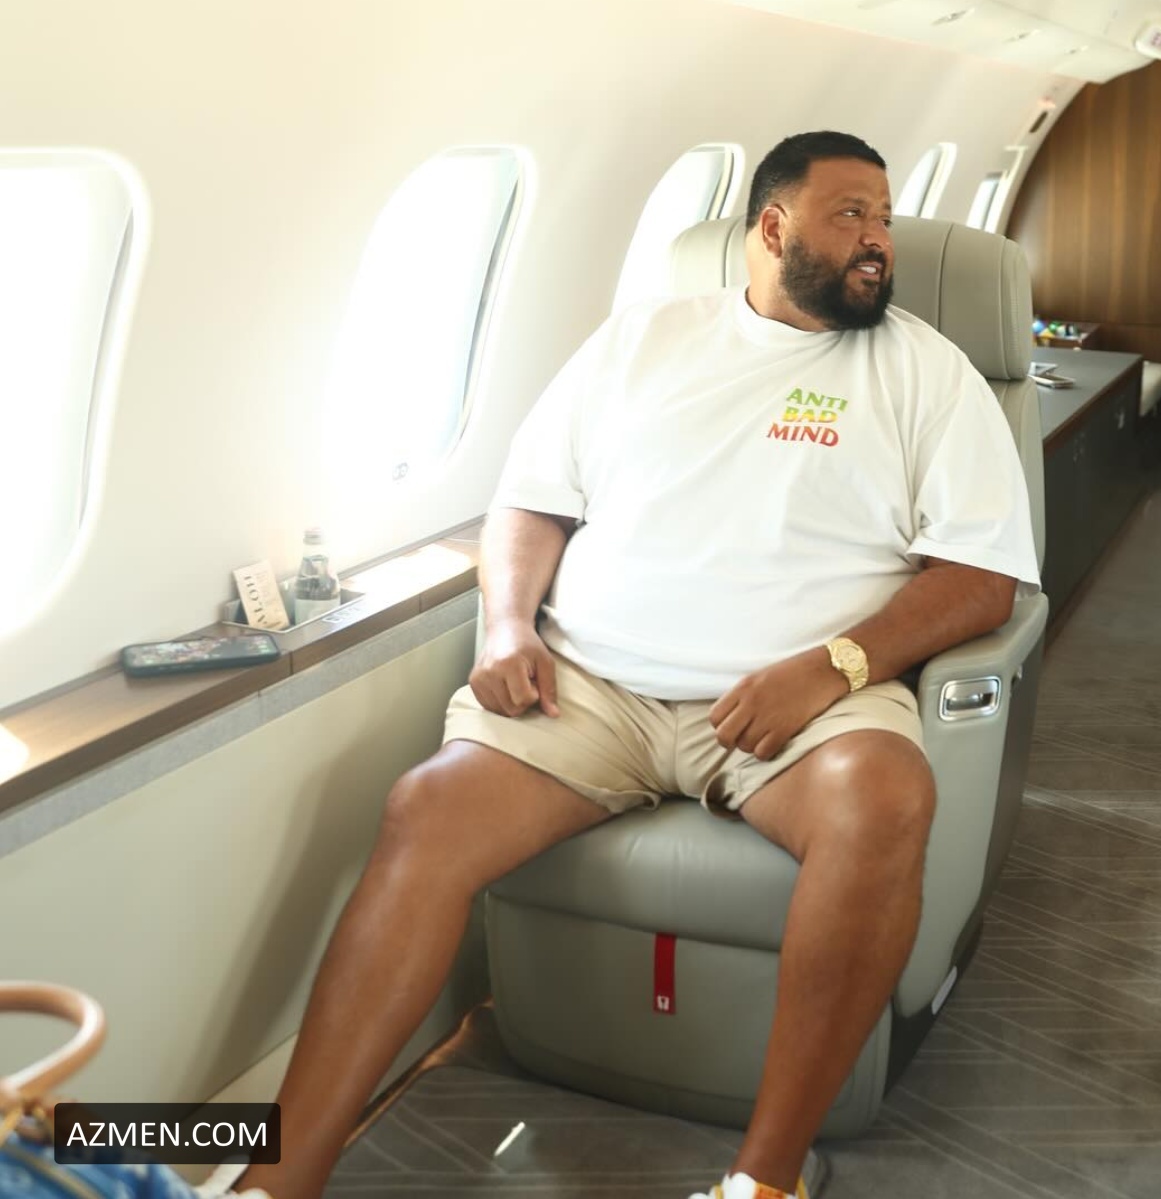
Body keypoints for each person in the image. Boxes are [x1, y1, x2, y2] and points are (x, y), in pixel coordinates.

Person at [213, 130, 1040, 1199]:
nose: (878, 239)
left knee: (882, 800)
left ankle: (764, 1178)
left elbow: (981, 579)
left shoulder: (928, 372)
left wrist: (832, 666)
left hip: (804, 699)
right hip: (595, 689)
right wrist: (508, 627)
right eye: (850, 216)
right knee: (427, 806)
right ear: (773, 227)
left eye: (883, 219)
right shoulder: (639, 341)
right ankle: (276, 1179)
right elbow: (529, 504)